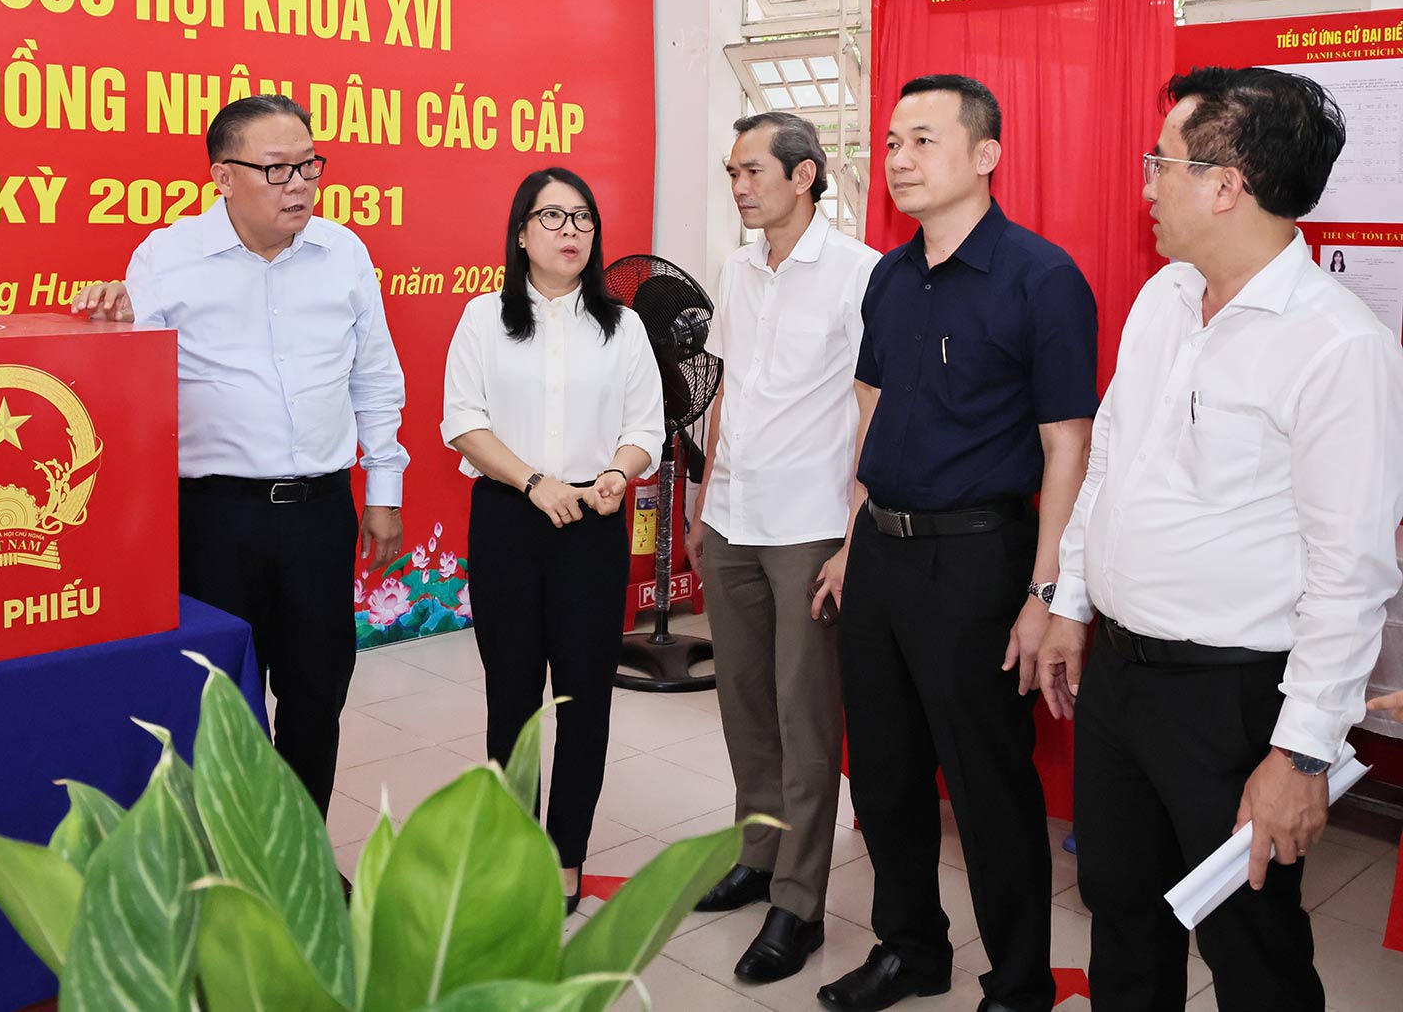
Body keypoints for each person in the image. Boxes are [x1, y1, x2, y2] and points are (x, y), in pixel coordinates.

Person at [1035, 67, 1403, 1012]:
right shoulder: (1164, 296)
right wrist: (1071, 603)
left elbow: (1352, 573)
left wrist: (1303, 754)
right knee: (1121, 909)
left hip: (1233, 699)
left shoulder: (1339, 346)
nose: (1146, 184)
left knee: (1252, 945)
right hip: (1121, 675)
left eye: (1160, 162)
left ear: (1227, 184)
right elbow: (1110, 462)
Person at [817, 75, 1097, 1012]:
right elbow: (871, 413)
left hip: (979, 560)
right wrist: (852, 542)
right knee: (885, 772)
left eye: (923, 140)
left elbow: (1067, 446)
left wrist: (1047, 592)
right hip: (882, 552)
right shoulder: (890, 277)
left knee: (987, 784)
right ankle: (910, 949)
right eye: (893, 142)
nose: (899, 159)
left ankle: (1018, 981)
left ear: (985, 154)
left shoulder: (1042, 278)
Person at [71, 95, 406, 817]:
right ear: (223, 177)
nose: (300, 185)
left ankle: (300, 853)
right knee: (216, 700)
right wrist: (112, 324)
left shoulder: (344, 252)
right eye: (277, 168)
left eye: (310, 166)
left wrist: (384, 490)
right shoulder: (167, 257)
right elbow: (130, 380)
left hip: (319, 512)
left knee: (317, 696)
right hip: (214, 519)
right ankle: (224, 855)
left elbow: (375, 376)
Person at [683, 112, 877, 984]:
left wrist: (853, 534)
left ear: (804, 175)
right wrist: (703, 502)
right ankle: (757, 854)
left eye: (752, 170)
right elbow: (725, 390)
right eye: (732, 171)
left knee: (805, 714)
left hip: (808, 523)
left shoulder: (858, 272)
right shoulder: (736, 268)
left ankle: (798, 901)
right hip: (733, 514)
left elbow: (873, 408)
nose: (739, 186)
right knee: (744, 701)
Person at [439, 167, 661, 915]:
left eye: (584, 218)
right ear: (521, 233)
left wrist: (615, 473)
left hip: (593, 525)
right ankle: (511, 858)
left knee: (585, 700)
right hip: (509, 519)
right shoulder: (484, 318)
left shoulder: (622, 325)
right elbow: (462, 420)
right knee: (512, 699)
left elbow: (645, 427)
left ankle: (567, 858)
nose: (572, 231)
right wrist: (534, 482)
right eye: (554, 217)